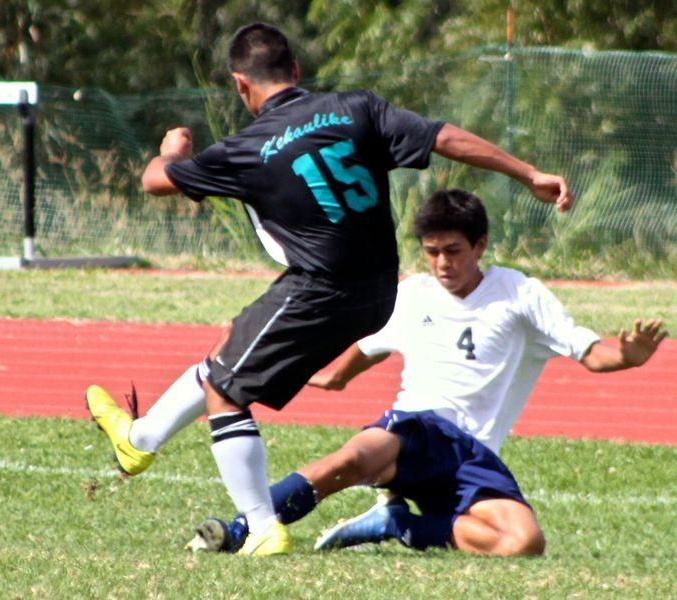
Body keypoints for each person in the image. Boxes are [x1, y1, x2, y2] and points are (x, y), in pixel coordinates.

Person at [86, 22, 574, 556]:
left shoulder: (246, 147)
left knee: (225, 390)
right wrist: (527, 173)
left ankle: (261, 526)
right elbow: (445, 137)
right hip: (379, 294)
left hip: (320, 289)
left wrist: (172, 150)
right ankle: (141, 441)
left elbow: (155, 181)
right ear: (295, 71)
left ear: (239, 85)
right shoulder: (356, 108)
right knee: (229, 354)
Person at [185, 189, 667, 557]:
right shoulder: (413, 292)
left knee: (523, 543)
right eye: (432, 251)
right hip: (413, 429)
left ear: (480, 245)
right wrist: (336, 378)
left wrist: (629, 356)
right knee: (349, 459)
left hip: (471, 458)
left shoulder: (520, 294)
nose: (442, 263)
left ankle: (397, 525)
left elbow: (591, 353)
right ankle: (239, 530)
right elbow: (371, 344)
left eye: (453, 251)